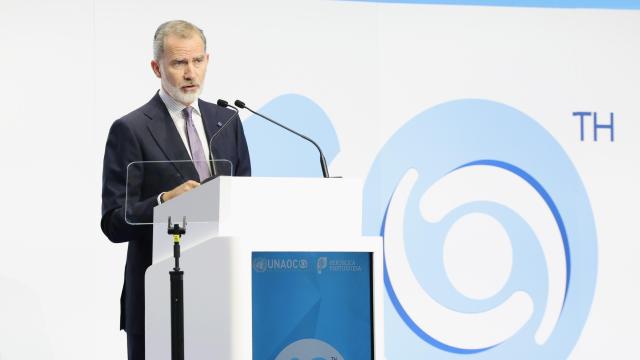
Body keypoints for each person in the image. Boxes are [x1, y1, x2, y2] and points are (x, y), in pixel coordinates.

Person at [100, 20, 251, 360]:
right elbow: (113, 221)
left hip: (223, 299)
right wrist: (163, 202)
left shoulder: (227, 121)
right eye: (179, 63)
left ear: (208, 61)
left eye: (197, 61)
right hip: (159, 298)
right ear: (157, 67)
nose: (190, 72)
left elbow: (245, 203)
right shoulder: (131, 129)